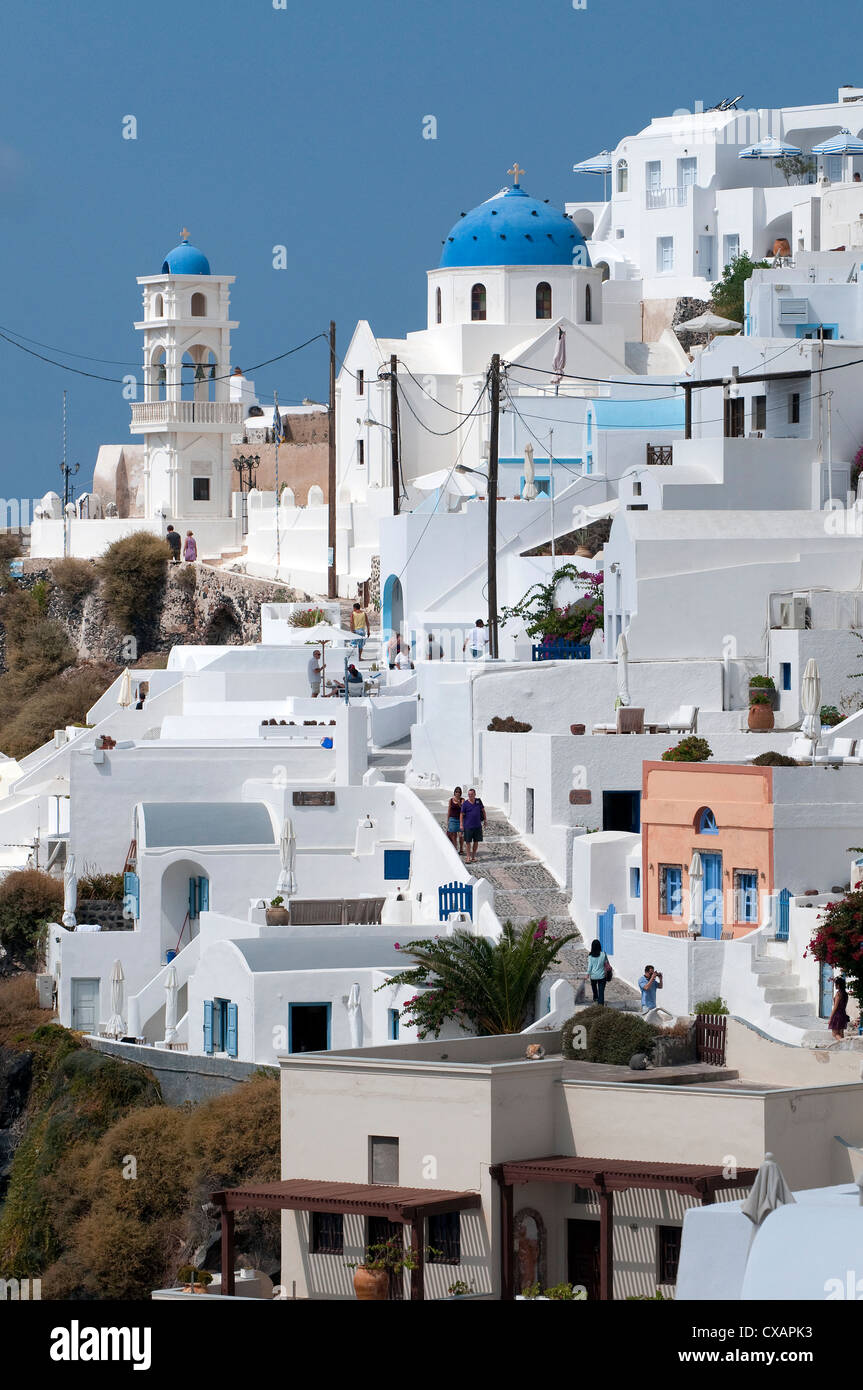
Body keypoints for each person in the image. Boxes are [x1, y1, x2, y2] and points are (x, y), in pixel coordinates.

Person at [460, 787, 486, 863]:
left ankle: (473, 857)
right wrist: (461, 824)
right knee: (468, 842)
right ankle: (468, 857)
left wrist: (485, 820)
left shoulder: (478, 801)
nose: (470, 795)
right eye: (469, 794)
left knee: (476, 841)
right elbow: (461, 814)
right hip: (468, 826)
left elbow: (483, 811)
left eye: (471, 794)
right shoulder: (465, 803)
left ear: (475, 794)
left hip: (477, 826)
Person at [586, 939, 610, 1005]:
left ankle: (595, 997)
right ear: (599, 946)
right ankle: (600, 1005)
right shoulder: (603, 954)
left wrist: (587, 974)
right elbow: (606, 963)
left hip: (593, 976)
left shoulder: (590, 956)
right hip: (602, 976)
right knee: (601, 992)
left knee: (594, 987)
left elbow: (590, 966)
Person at [829, 975, 850, 1041]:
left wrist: (830, 1018)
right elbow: (845, 1005)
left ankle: (845, 1044)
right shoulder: (845, 994)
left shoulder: (838, 994)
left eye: (836, 984)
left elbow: (835, 1007)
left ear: (838, 985)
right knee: (841, 1033)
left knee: (835, 1034)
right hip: (843, 1014)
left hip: (837, 1015)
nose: (835, 985)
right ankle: (844, 1046)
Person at [446, 786, 464, 855]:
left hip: (460, 819)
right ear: (454, 792)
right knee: (453, 835)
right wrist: (448, 820)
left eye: (459, 792)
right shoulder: (451, 800)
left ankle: (461, 849)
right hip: (452, 819)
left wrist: (459, 803)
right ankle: (455, 848)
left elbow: (463, 809)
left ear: (460, 793)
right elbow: (449, 810)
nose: (457, 793)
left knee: (461, 835)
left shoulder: (462, 800)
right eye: (456, 792)